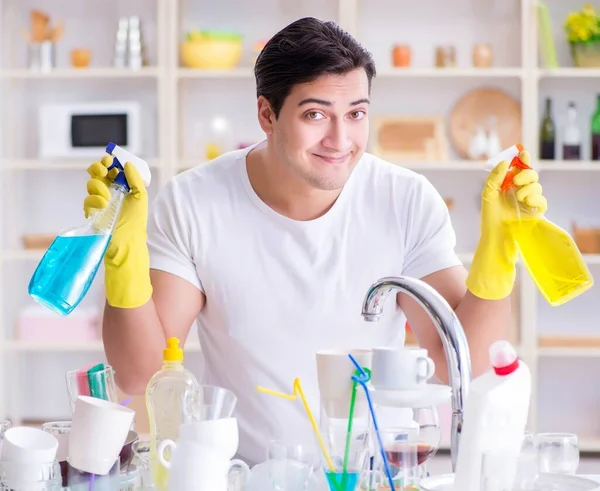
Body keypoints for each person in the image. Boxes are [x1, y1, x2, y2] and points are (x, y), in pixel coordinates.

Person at [84, 17, 547, 465]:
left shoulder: (405, 199)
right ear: (267, 114)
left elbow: (462, 365)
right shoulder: (195, 201)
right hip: (250, 475)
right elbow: (140, 375)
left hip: (378, 471)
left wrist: (498, 253)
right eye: (315, 114)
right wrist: (124, 256)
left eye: (356, 114)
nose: (340, 139)